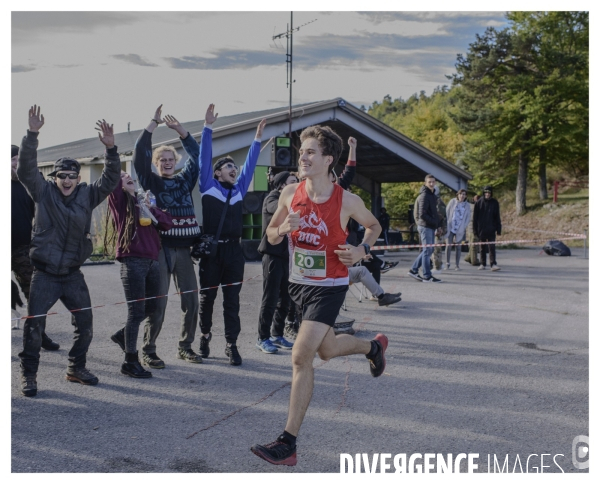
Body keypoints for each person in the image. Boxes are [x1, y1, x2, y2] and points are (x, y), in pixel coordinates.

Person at [250, 125, 388, 466]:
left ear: (328, 160)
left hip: (330, 286)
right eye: (302, 152)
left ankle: (288, 442)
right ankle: (373, 347)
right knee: (326, 349)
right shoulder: (289, 194)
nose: (303, 157)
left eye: (310, 152)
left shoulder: (347, 200)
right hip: (299, 285)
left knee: (301, 356)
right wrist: (284, 228)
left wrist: (361, 251)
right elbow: (271, 234)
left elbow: (374, 227)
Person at [17, 106, 120, 397]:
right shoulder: (43, 192)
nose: (66, 180)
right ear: (55, 177)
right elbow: (26, 169)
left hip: (72, 274)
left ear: (77, 178)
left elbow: (111, 181)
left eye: (71, 176)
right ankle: (29, 374)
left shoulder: (88, 195)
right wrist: (32, 134)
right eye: (61, 175)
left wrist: (112, 151)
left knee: (85, 324)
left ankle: (76, 368)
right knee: (34, 326)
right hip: (45, 274)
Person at [197, 104, 267, 366]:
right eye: (227, 165)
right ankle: (204, 337)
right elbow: (205, 157)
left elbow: (249, 164)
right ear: (217, 173)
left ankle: (231, 344)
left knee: (232, 301)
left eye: (233, 166)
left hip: (233, 253)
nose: (233, 167)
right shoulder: (208, 186)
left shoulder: (238, 190)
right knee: (207, 298)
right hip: (212, 253)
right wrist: (207, 127)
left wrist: (257, 139)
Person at [134, 106, 203, 368]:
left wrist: (181, 132)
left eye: (170, 159)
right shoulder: (150, 181)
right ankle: (148, 349)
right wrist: (153, 123)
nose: (166, 162)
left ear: (176, 161)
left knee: (191, 301)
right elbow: (140, 153)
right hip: (160, 248)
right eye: (162, 159)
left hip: (185, 250)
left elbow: (196, 156)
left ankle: (185, 347)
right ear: (156, 163)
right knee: (158, 303)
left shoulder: (185, 181)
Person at [106, 171, 174, 378]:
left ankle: (123, 335)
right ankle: (130, 360)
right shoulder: (119, 201)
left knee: (152, 306)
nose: (127, 176)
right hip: (132, 259)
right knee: (136, 312)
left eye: (129, 176)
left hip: (153, 260)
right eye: (122, 176)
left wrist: (151, 208)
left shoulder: (143, 202)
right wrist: (114, 166)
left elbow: (166, 224)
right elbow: (113, 183)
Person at [11, 144, 60, 349]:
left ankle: (39, 335)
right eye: (14, 160)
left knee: (36, 293)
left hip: (23, 248)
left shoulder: (29, 187)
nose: (18, 164)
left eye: (22, 161)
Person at [255, 170, 298, 354]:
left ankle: (277, 334)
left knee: (285, 298)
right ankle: (262, 338)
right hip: (272, 255)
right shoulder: (272, 198)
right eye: (293, 182)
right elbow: (277, 209)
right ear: (282, 185)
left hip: (288, 255)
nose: (297, 185)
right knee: (270, 298)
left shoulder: (293, 200)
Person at [407, 174, 442, 283]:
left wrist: (437, 225)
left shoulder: (432, 195)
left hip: (430, 226)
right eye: (429, 182)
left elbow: (434, 213)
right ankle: (427, 276)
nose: (431, 184)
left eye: (433, 182)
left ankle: (413, 269)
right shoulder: (424, 196)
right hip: (425, 226)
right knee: (428, 250)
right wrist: (435, 223)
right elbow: (422, 214)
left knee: (429, 250)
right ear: (425, 183)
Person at [473, 185, 502, 271]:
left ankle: (493, 264)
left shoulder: (495, 203)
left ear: (491, 193)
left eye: (489, 192)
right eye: (486, 192)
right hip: (481, 229)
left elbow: (497, 217)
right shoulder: (479, 203)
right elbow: (475, 218)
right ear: (483, 193)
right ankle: (482, 263)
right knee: (482, 248)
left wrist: (498, 229)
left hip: (491, 228)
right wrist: (475, 230)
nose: (487, 194)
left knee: (492, 247)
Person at [445, 189, 471, 270]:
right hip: (450, 226)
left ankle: (457, 265)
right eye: (461, 194)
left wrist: (464, 226)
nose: (462, 196)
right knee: (448, 245)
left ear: (465, 196)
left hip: (460, 228)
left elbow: (468, 217)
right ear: (458, 195)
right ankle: (447, 263)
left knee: (458, 247)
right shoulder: (452, 202)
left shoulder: (467, 205)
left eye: (464, 194)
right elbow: (447, 212)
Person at [430, 185, 447, 271]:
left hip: (438, 228)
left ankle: (437, 266)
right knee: (436, 248)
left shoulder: (437, 201)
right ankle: (439, 264)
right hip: (438, 228)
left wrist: (437, 228)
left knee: (436, 249)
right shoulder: (437, 200)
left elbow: (439, 216)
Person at [464, 194, 481, 266]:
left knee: (472, 244)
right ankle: (474, 260)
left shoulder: (470, 206)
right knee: (474, 245)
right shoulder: (475, 207)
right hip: (473, 228)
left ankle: (468, 257)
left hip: (471, 227)